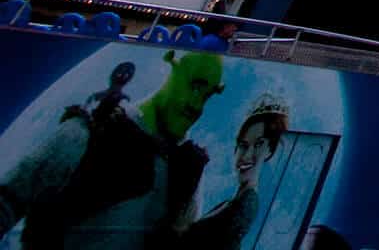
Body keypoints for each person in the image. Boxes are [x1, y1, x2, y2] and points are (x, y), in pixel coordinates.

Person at [0, 51, 226, 250]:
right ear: (173, 65)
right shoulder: (88, 132)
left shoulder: (187, 170)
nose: (196, 106)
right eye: (194, 86)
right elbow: (7, 202)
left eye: (207, 95)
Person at [174, 95, 289, 250]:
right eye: (243, 145)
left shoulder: (246, 206)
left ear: (270, 150)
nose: (247, 155)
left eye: (258, 144)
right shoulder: (231, 203)